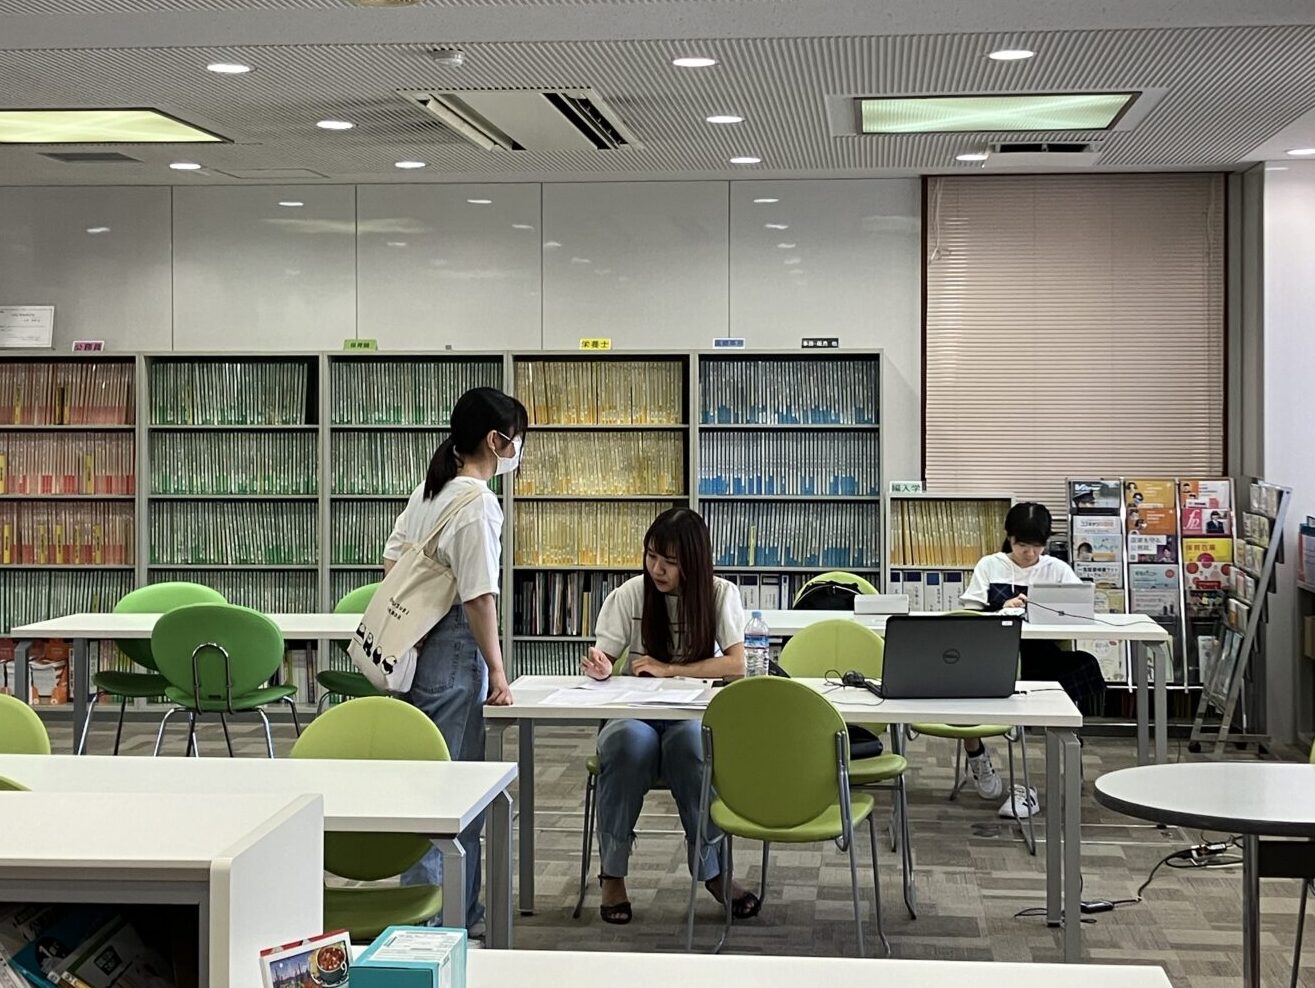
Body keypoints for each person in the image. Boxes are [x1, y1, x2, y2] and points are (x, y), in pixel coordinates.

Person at [382, 385, 527, 936]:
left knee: (430, 790)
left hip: (420, 652)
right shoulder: (478, 502)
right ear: (495, 440)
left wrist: (415, 623)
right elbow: (479, 598)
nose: (518, 451)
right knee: (452, 801)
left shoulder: (429, 491)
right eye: (516, 439)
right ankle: (434, 930)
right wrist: (498, 670)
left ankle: (452, 916)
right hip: (456, 655)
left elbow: (392, 561)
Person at [579, 507, 757, 925]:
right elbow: (604, 655)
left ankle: (713, 871)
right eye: (652, 556)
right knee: (627, 744)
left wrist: (670, 669)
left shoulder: (719, 594)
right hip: (634, 715)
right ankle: (612, 874)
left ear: (693, 563)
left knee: (693, 747)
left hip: (690, 716)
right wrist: (601, 666)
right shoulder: (630, 594)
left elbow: (736, 664)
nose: (657, 569)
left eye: (670, 562)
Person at [958, 502, 1105, 819]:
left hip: (1040, 654)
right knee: (958, 681)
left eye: (1037, 546)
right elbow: (969, 616)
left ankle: (1050, 766)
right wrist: (1003, 609)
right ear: (1009, 538)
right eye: (1022, 545)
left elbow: (1080, 613)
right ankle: (976, 754)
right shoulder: (990, 566)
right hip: (993, 653)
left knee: (1081, 666)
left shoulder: (1057, 569)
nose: (1029, 553)